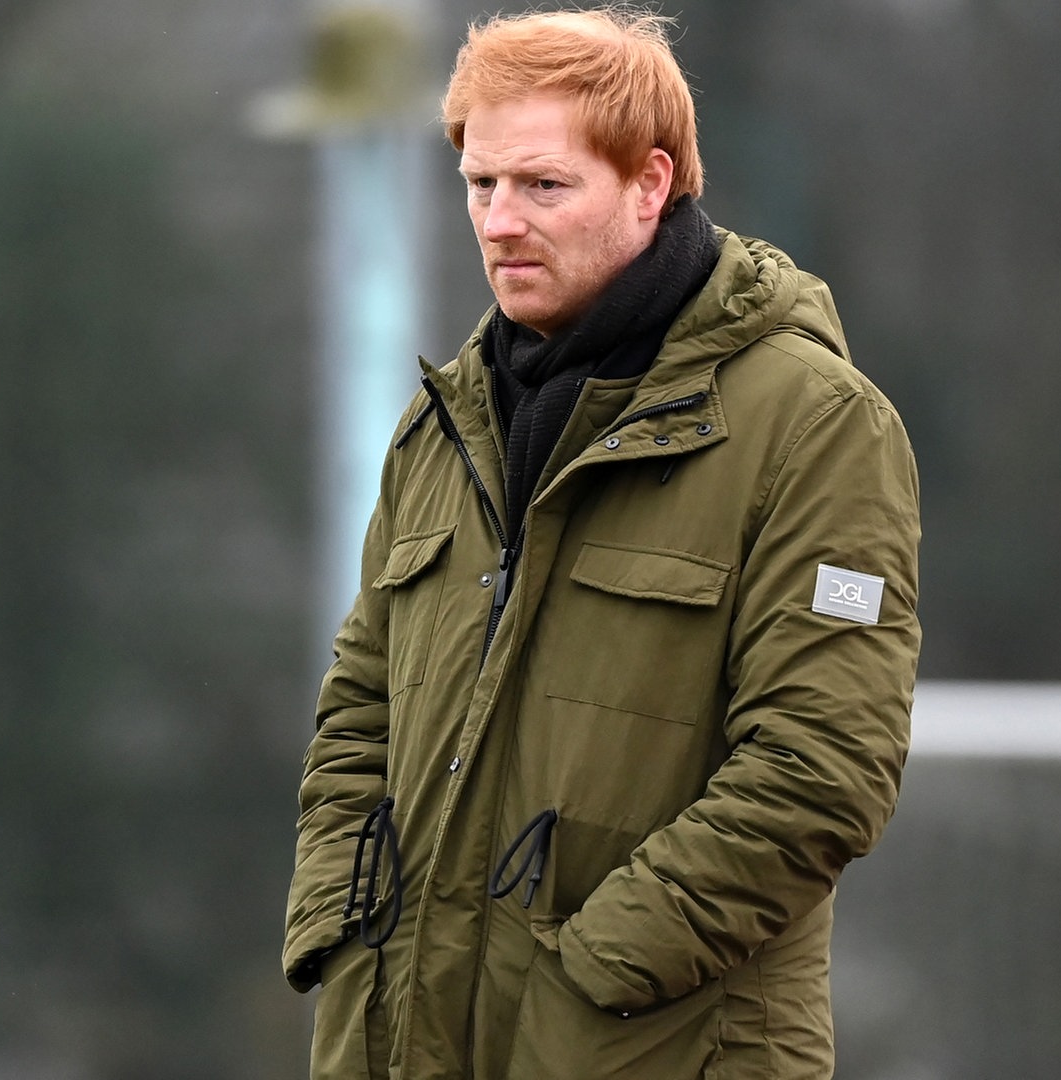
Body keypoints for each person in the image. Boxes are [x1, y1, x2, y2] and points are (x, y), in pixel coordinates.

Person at [282, 8, 922, 1079]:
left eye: (542, 185)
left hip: (653, 1049)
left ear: (651, 183)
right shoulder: (445, 423)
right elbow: (361, 706)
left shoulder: (813, 424)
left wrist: (587, 973)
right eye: (481, 185)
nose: (499, 222)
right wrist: (343, 928)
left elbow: (822, 767)